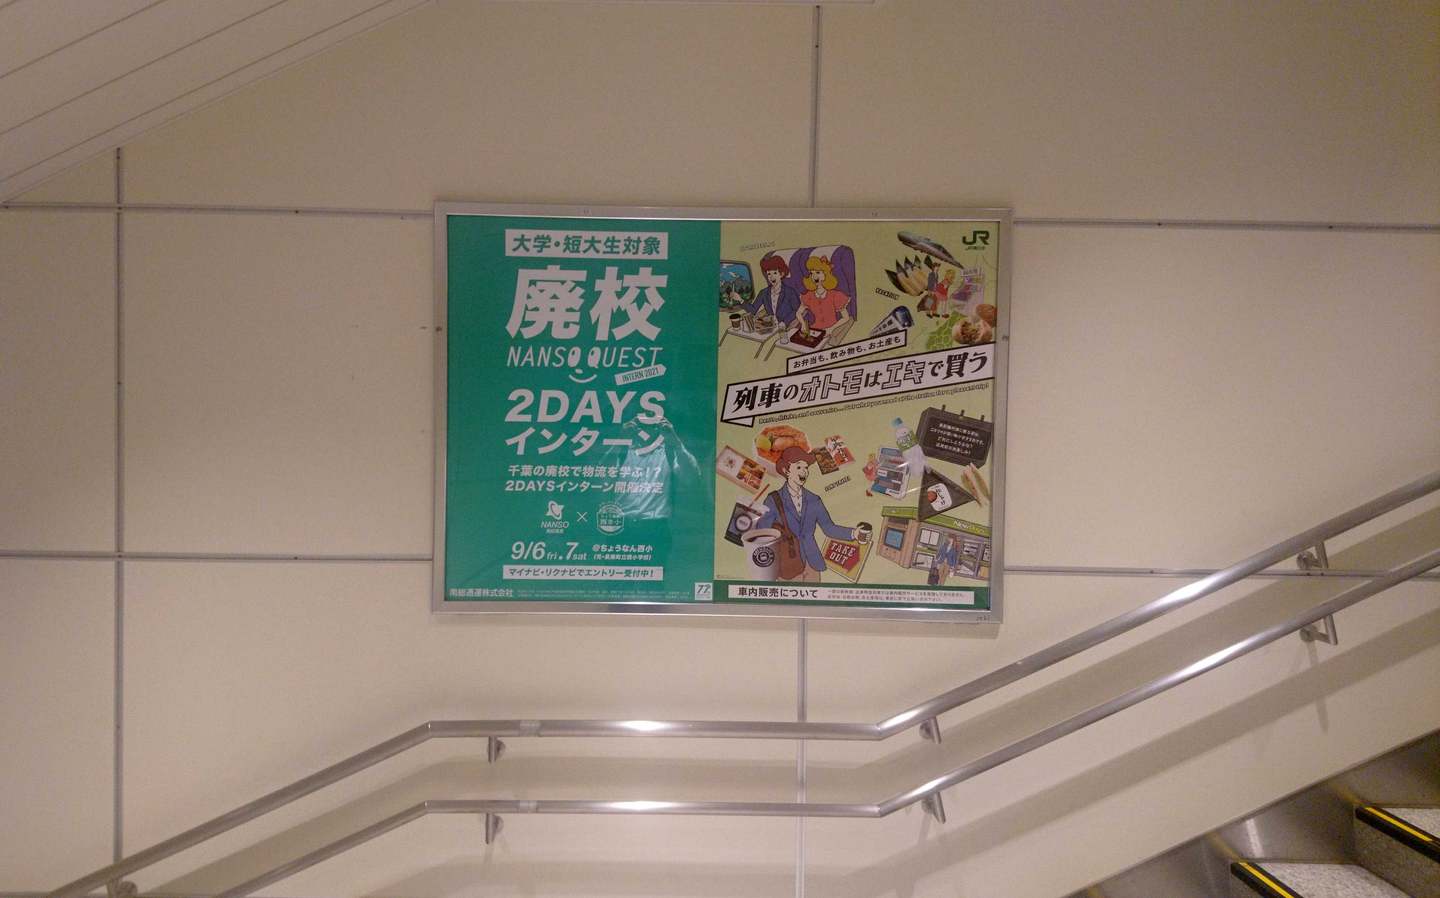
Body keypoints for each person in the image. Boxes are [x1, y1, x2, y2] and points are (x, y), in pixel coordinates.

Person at [756, 446, 865, 582]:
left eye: (806, 467)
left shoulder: (814, 499)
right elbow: (762, 534)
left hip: (812, 563)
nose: (804, 472)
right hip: (788, 565)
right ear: (786, 471)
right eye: (798, 467)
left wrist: (854, 533)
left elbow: (828, 528)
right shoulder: (773, 499)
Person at [797, 255, 852, 337]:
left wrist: (831, 328)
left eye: (817, 272)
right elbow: (798, 313)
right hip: (814, 330)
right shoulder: (809, 295)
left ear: (825, 274)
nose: (814, 276)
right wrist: (803, 324)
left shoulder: (835, 295)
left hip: (832, 331)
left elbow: (846, 317)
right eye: (812, 273)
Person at [744, 255, 801, 326]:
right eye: (769, 274)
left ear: (781, 274)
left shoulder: (790, 292)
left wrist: (784, 322)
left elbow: (797, 310)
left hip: (787, 326)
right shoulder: (764, 292)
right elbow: (753, 310)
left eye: (775, 273)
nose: (771, 276)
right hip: (770, 326)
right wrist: (740, 300)